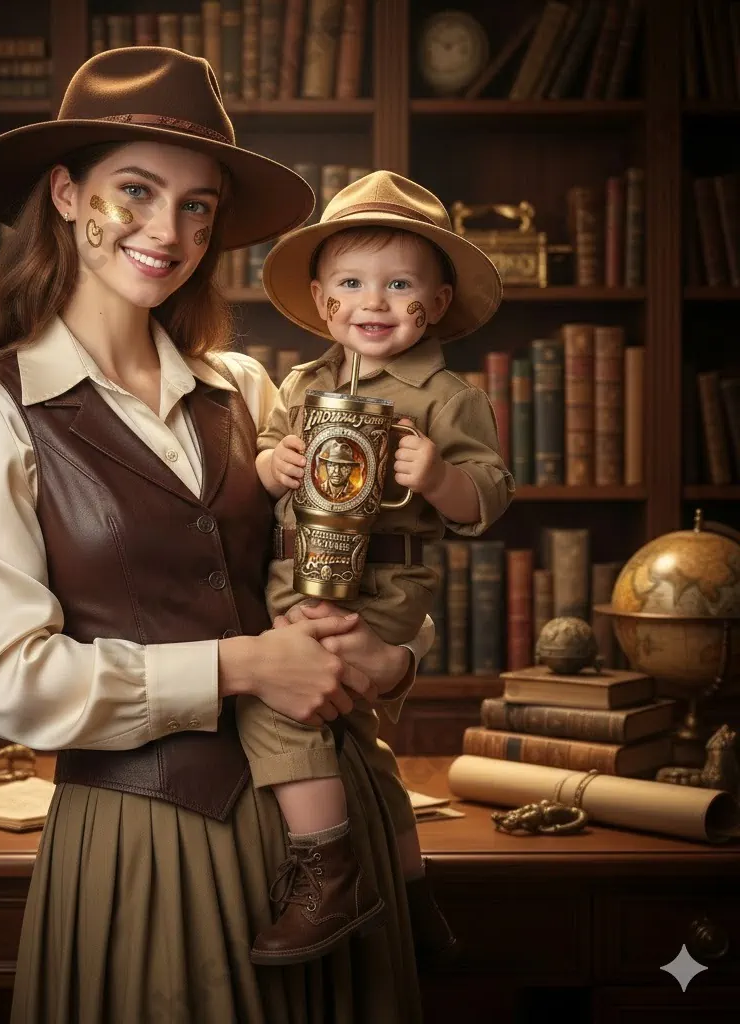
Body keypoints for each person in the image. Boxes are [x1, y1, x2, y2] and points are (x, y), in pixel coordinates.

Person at [0, 47, 436, 1023]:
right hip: (145, 844)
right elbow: (15, 686)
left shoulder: (246, 387)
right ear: (68, 195)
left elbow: (334, 584)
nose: (168, 229)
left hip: (333, 829)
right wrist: (243, 666)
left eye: (197, 203)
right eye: (137, 191)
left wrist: (390, 659)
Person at [240, 170, 514, 966]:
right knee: (361, 746)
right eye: (354, 285)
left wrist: (437, 477)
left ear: (432, 303)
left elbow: (488, 497)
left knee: (275, 705)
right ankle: (412, 888)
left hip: (383, 592)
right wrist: (273, 464)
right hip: (297, 579)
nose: (376, 303)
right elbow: (262, 465)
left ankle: (331, 872)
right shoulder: (302, 385)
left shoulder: (447, 397)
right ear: (326, 303)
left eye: (400, 286)